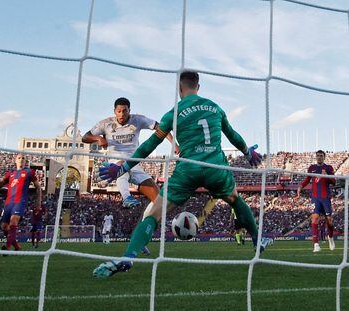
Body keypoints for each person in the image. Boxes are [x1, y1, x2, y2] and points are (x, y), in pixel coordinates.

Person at [93, 71, 273, 278]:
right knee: (235, 199)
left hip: (188, 169)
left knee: (153, 215)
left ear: (179, 89)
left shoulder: (174, 113)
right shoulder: (215, 107)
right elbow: (232, 135)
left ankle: (128, 257)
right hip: (216, 168)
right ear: (198, 87)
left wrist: (123, 167)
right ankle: (257, 239)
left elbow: (151, 144)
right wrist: (247, 152)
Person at [82, 97, 178, 209]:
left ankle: (149, 220)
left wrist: (174, 144)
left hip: (134, 161)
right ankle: (127, 198)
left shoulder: (138, 120)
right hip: (115, 159)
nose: (122, 114)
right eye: (119, 111)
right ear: (114, 111)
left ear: (129, 110)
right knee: (121, 167)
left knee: (159, 202)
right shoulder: (105, 123)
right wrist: (98, 138)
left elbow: (161, 127)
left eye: (124, 111)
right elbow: (85, 137)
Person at [0, 153, 42, 252]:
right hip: (8, 203)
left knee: (13, 222)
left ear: (26, 161)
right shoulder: (10, 174)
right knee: (4, 227)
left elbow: (38, 187)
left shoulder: (29, 172)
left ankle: (7, 247)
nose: (21, 159)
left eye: (23, 158)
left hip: (20, 202)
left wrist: (38, 203)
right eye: (19, 158)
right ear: (15, 160)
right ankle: (16, 246)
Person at [297, 150, 336, 252]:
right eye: (318, 156)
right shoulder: (312, 168)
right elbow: (307, 179)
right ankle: (316, 244)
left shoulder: (329, 167)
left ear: (324, 157)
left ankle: (330, 237)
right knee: (314, 219)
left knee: (330, 221)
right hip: (315, 198)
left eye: (321, 156)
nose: (319, 157)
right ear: (316, 157)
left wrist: (327, 175)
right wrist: (301, 186)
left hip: (326, 198)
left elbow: (334, 182)